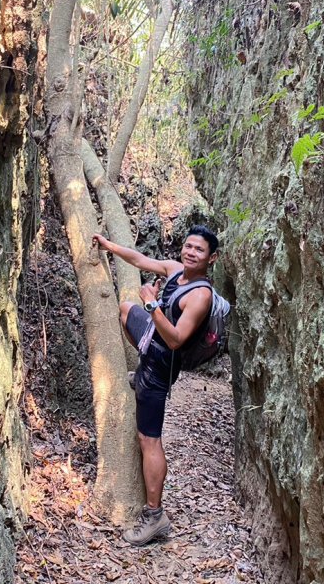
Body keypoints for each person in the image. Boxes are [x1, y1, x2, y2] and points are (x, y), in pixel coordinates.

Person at [91, 225, 220, 545]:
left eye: (199, 250)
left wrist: (152, 304)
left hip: (161, 368)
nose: (191, 252)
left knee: (149, 440)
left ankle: (155, 515)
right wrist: (110, 246)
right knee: (125, 310)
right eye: (188, 246)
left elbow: (176, 340)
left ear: (211, 257)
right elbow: (140, 259)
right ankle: (139, 368)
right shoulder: (176, 271)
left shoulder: (201, 295)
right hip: (150, 343)